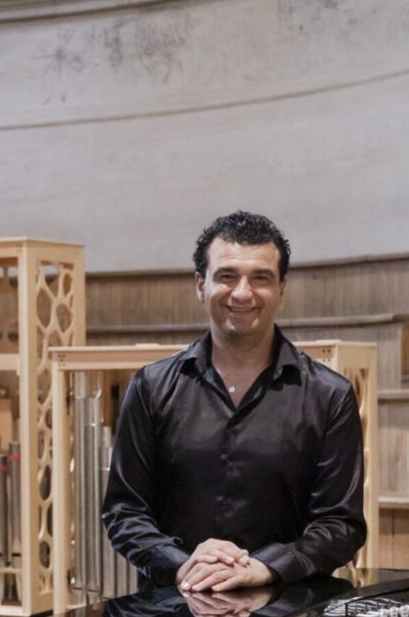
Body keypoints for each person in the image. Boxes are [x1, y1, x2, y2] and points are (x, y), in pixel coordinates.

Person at [102, 210, 366, 594]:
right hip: (172, 615)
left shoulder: (330, 395)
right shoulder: (151, 387)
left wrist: (264, 566)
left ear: (282, 288)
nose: (243, 293)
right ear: (200, 285)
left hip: (289, 616)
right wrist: (183, 564)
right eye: (227, 276)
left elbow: (340, 525)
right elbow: (124, 511)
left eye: (260, 278)